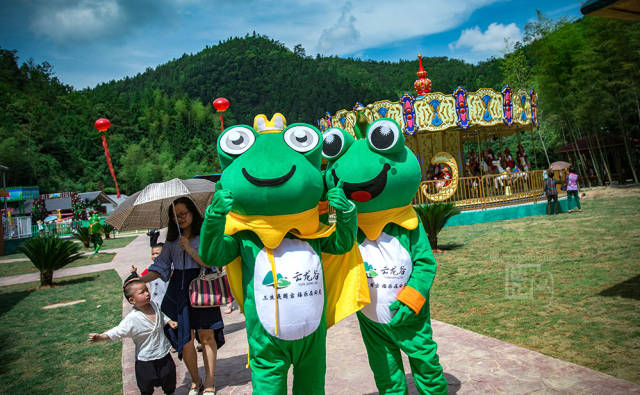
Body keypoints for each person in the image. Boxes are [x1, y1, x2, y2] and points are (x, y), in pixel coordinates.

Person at [139, 197, 224, 395]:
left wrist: (189, 248)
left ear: (193, 213)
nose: (181, 218)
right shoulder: (170, 242)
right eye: (176, 216)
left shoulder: (204, 235)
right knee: (184, 338)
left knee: (206, 335)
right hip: (178, 288)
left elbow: (212, 262)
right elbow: (159, 267)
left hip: (202, 285)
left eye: (183, 214)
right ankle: (196, 380)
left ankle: (210, 381)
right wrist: (140, 280)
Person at [89, 272, 178, 395]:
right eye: (142, 292)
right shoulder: (132, 319)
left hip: (163, 354)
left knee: (169, 380)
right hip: (145, 359)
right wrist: (101, 336)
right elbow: (118, 331)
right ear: (132, 300)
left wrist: (169, 321)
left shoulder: (154, 305)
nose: (147, 293)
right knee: (146, 387)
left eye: (147, 289)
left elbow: (160, 315)